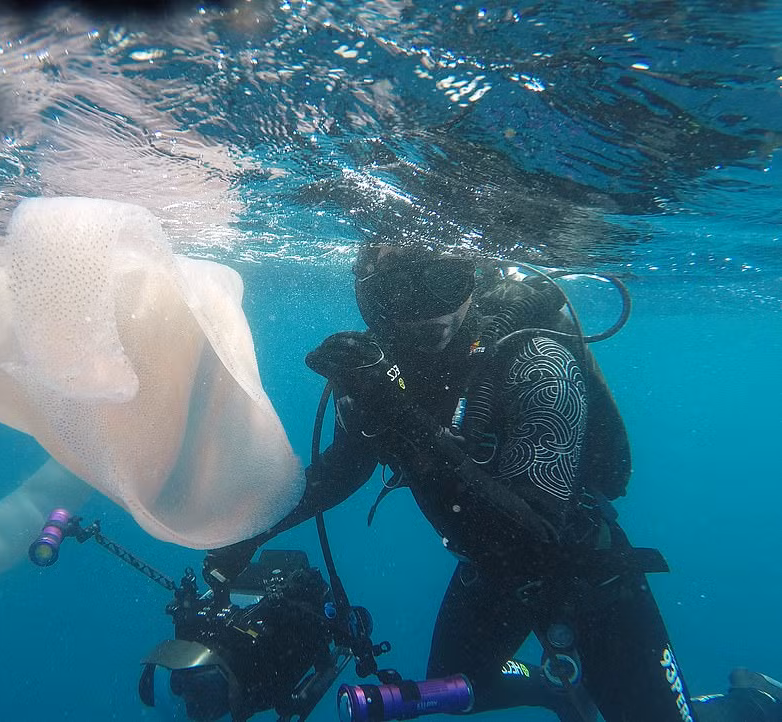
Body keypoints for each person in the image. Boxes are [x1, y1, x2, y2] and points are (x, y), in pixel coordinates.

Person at [204, 243, 781, 722]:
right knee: (457, 686)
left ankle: (746, 704)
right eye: (396, 296)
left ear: (473, 279)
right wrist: (251, 533)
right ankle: (552, 685)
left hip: (589, 580)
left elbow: (535, 539)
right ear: (367, 301)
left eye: (444, 284)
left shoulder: (537, 362)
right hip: (487, 574)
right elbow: (345, 467)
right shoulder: (380, 373)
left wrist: (395, 411)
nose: (427, 315)